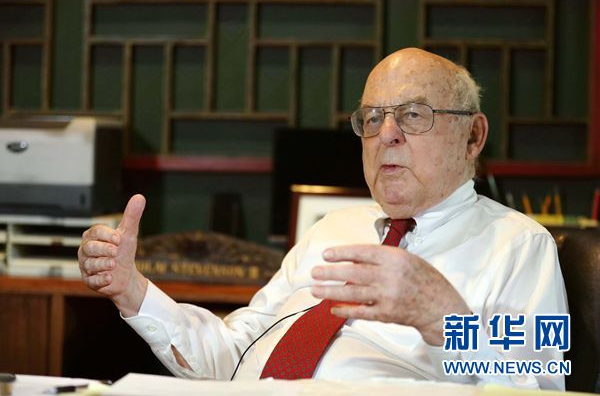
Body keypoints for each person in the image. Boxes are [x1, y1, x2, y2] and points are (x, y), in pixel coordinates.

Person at [78, 48, 567, 389]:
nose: (387, 134)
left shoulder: (520, 245)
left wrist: (443, 319)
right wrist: (133, 290)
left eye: (414, 115)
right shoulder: (332, 229)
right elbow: (232, 355)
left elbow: (540, 386)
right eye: (372, 118)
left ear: (473, 137)